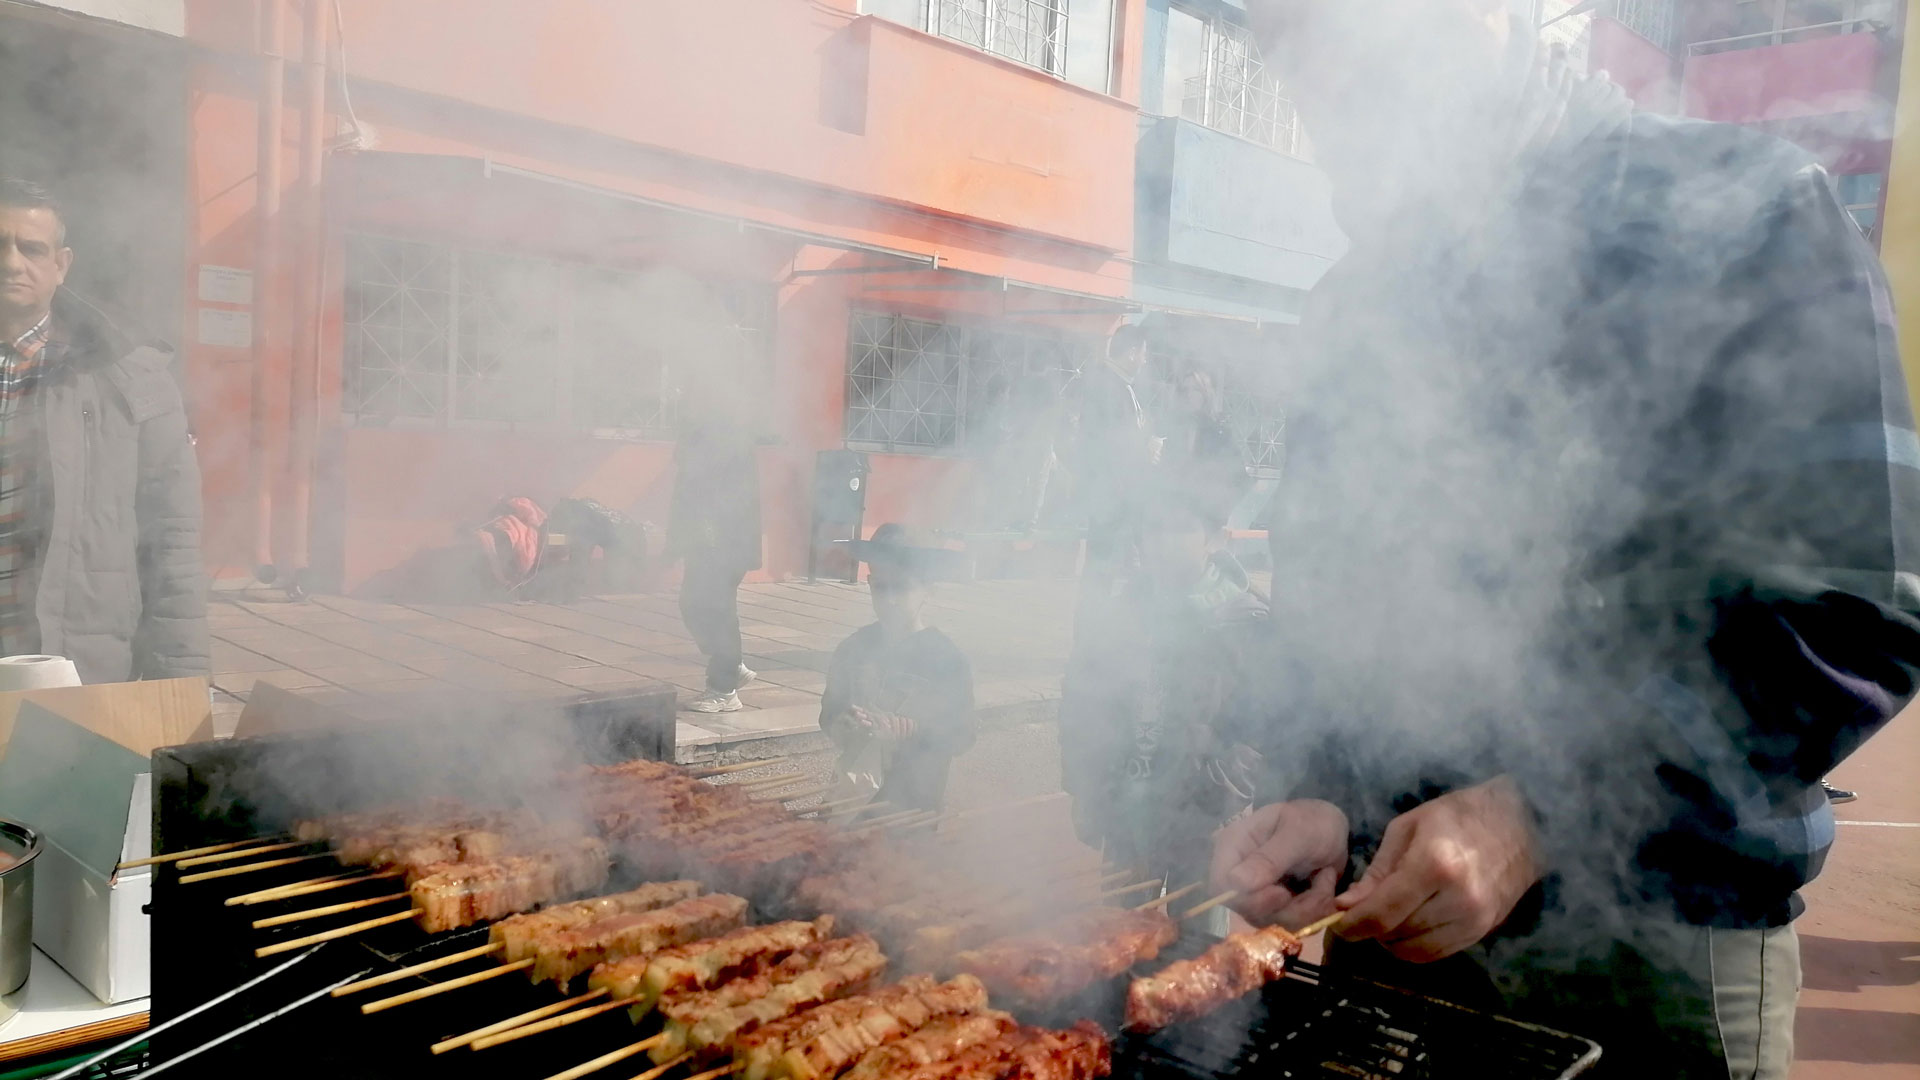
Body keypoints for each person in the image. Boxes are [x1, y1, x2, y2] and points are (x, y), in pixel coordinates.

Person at [1208, 5, 1920, 1078]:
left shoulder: (1752, 214)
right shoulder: (1357, 302)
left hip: (1659, 961)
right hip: (1383, 935)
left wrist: (1535, 812)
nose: (1325, 87)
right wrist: (1326, 794)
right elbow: (1330, 615)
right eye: (1286, 47)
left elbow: (1854, 616)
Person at [0, 177, 206, 683]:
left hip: (71, 667)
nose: (10, 263)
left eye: (31, 248)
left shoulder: (132, 376)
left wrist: (177, 684)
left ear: (61, 265)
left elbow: (172, 538)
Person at [1060, 485, 1269, 882]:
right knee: (1119, 933)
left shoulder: (1247, 624)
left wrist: (1209, 801)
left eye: (1177, 529)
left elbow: (1261, 734)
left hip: (1205, 823)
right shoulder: (1120, 613)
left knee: (1198, 938)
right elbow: (1081, 704)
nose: (1158, 541)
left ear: (1214, 538)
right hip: (1125, 812)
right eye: (1150, 528)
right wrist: (1084, 788)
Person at [819, 524, 976, 812]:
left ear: (929, 589)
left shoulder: (946, 659)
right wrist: (844, 722)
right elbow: (829, 715)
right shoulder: (853, 648)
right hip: (849, 801)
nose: (889, 599)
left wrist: (915, 730)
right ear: (869, 583)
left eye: (901, 587)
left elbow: (962, 734)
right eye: (881, 587)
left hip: (910, 806)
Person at [669, 369, 761, 714]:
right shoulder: (701, 430)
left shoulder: (724, 434)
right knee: (693, 604)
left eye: (691, 392)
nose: (685, 398)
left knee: (716, 609)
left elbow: (718, 494)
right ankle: (731, 665)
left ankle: (724, 690)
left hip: (722, 542)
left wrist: (707, 541)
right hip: (706, 540)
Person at [1070, 325, 1161, 589]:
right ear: (1132, 353)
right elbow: (1108, 444)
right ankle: (1095, 627)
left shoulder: (1116, 384)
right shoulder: (1109, 386)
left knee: (1108, 572)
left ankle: (1101, 624)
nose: (1145, 360)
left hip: (1115, 496)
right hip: (1111, 497)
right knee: (1102, 572)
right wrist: (1145, 449)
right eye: (1144, 353)